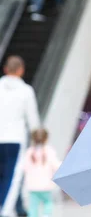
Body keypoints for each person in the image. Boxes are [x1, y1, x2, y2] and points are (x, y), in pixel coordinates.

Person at [0, 56, 41, 217]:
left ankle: (18, 208)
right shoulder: (26, 91)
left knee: (4, 176)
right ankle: (4, 210)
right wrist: (38, 142)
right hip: (15, 140)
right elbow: (33, 119)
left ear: (5, 69)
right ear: (21, 70)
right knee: (12, 177)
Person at [22, 129, 60, 217]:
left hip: (32, 186)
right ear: (46, 138)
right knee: (48, 203)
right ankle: (46, 215)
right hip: (46, 186)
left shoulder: (29, 152)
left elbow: (24, 167)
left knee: (33, 206)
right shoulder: (50, 151)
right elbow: (56, 166)